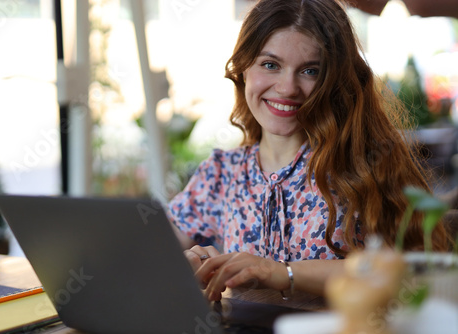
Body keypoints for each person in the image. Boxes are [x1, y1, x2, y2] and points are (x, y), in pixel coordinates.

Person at [166, 0, 452, 301]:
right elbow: (152, 252)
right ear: (243, 68)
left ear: (335, 81)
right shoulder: (222, 172)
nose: (288, 88)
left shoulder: (366, 162)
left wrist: (282, 272)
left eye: (310, 71)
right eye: (270, 64)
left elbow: (413, 272)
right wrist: (186, 261)